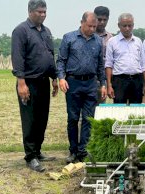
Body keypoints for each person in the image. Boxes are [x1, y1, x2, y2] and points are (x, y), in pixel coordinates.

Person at [11, 0, 57, 172]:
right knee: (30, 120)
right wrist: (21, 83)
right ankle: (30, 156)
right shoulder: (21, 31)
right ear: (30, 11)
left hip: (44, 81)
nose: (43, 15)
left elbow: (50, 56)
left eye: (45, 12)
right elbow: (18, 58)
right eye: (39, 12)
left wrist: (54, 78)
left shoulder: (46, 31)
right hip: (28, 82)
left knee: (42, 119)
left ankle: (37, 151)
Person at [56, 12, 106, 164]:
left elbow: (100, 65)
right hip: (73, 82)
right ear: (82, 22)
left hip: (91, 83)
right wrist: (61, 78)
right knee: (73, 118)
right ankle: (73, 150)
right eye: (89, 26)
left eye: (94, 27)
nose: (92, 29)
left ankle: (83, 150)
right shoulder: (69, 38)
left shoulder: (98, 41)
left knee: (88, 118)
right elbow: (61, 61)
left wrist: (103, 84)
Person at [105, 13, 145, 104]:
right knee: (119, 108)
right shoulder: (112, 42)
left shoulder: (138, 41)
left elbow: (143, 64)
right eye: (124, 26)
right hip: (119, 80)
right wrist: (109, 85)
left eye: (130, 25)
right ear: (119, 25)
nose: (127, 28)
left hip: (137, 79)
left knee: (136, 109)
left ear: (133, 25)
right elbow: (108, 65)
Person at [94, 6, 112, 104]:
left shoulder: (111, 38)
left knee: (99, 109)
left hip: (102, 80)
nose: (102, 22)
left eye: (104, 20)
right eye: (99, 19)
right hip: (87, 79)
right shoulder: (88, 35)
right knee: (84, 111)